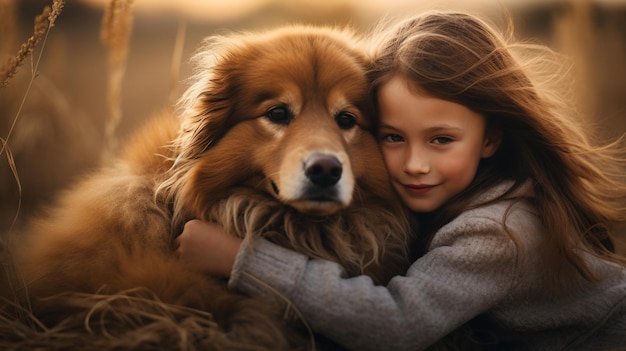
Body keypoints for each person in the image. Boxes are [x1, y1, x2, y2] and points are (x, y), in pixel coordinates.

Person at [176, 10, 626, 350]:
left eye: (441, 139)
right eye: (392, 136)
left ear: (490, 140)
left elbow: (397, 324)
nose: (414, 164)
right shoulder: (446, 196)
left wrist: (245, 260)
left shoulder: (499, 232)